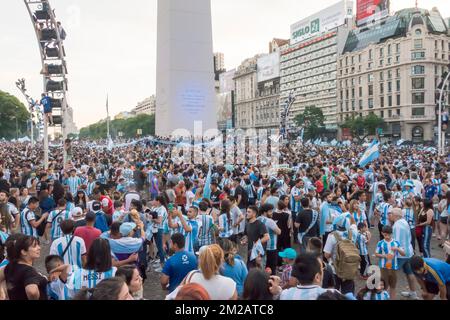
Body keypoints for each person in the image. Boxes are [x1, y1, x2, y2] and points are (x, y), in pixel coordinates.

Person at [167, 244, 237, 300]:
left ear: (201, 261)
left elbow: (175, 295)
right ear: (221, 261)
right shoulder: (229, 284)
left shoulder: (191, 275)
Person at [270, 252, 341, 300]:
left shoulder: (285, 295)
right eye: (322, 270)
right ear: (317, 277)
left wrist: (278, 291)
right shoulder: (333, 294)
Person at [0, 235, 48, 300]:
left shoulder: (10, 266)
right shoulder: (29, 271)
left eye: (38, 245)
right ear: (24, 252)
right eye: (34, 246)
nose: (39, 248)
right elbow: (32, 292)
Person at [390, 208, 418, 300]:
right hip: (409, 252)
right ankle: (413, 293)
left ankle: (391, 297)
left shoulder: (397, 226)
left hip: (400, 254)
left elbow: (396, 242)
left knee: (391, 275)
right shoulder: (404, 221)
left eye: (391, 214)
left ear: (396, 215)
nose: (390, 215)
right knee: (410, 273)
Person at [375, 225, 406, 300]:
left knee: (393, 286)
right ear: (382, 233)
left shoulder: (396, 243)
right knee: (384, 286)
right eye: (385, 235)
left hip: (393, 267)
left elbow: (403, 253)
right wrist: (385, 256)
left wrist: (397, 249)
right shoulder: (380, 243)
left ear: (391, 234)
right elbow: (376, 254)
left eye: (389, 235)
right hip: (384, 267)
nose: (387, 236)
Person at [257, 203, 281, 275]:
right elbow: (279, 232)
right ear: (264, 212)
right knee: (271, 269)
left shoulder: (257, 219)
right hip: (271, 248)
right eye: (270, 211)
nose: (272, 213)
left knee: (262, 268)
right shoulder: (270, 221)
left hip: (260, 247)